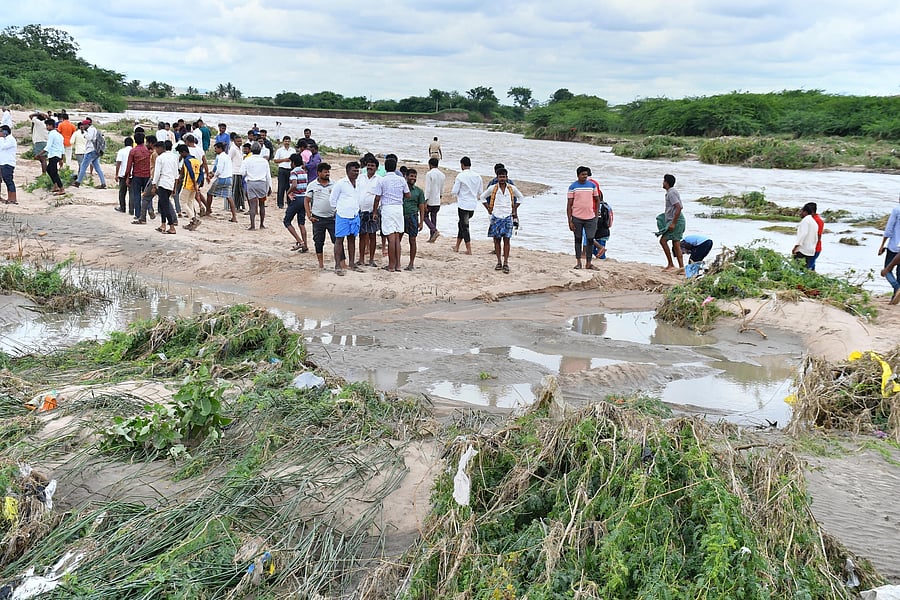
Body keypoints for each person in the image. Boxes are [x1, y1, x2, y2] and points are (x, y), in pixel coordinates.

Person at [480, 168, 522, 274]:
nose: (502, 178)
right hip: (496, 216)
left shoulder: (511, 188)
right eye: (500, 177)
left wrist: (514, 209)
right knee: (497, 241)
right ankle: (499, 262)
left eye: (504, 176)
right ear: (497, 177)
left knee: (507, 241)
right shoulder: (492, 188)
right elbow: (482, 197)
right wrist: (488, 208)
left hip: (508, 216)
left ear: (506, 177)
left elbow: (521, 198)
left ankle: (506, 262)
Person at [372, 155, 410, 272]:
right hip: (398, 208)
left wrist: (374, 212)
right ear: (395, 168)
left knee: (391, 238)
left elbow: (377, 198)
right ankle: (398, 265)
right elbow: (408, 195)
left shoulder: (382, 180)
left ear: (385, 168)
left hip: (387, 208)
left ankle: (391, 265)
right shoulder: (401, 179)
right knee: (397, 238)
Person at [329, 161, 362, 275]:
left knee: (352, 239)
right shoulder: (340, 183)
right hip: (342, 215)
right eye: (354, 171)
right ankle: (338, 265)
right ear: (348, 171)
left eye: (357, 171)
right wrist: (338, 210)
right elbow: (332, 199)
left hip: (354, 215)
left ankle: (352, 263)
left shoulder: (359, 183)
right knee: (339, 240)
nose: (356, 173)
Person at [566, 166, 600, 270]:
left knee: (590, 239)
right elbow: (569, 205)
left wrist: (596, 214)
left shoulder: (592, 186)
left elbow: (597, 200)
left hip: (590, 218)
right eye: (583, 174)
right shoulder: (573, 187)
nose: (585, 176)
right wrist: (570, 220)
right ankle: (578, 262)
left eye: (586, 174)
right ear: (578, 175)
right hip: (577, 218)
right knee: (578, 240)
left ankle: (588, 263)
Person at [305, 162, 337, 270]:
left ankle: (340, 263)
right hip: (317, 218)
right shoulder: (312, 185)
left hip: (332, 218)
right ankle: (321, 265)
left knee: (337, 241)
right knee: (318, 242)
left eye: (328, 171)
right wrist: (309, 216)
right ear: (319, 173)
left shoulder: (334, 184)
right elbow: (307, 201)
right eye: (325, 171)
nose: (327, 173)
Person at [451, 156, 483, 254]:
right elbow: (480, 191)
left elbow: (454, 191)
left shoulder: (460, 176)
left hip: (463, 204)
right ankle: (456, 246)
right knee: (461, 224)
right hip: (473, 204)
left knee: (464, 226)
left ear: (462, 165)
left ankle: (469, 249)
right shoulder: (478, 176)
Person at [240, 142, 272, 230]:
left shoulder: (247, 160)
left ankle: (252, 225)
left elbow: (242, 173)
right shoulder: (264, 161)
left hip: (251, 183)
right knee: (262, 204)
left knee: (252, 205)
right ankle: (261, 224)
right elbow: (268, 175)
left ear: (251, 150)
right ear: (260, 150)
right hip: (262, 183)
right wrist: (270, 187)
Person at [657, 173, 685, 271]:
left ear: (667, 183)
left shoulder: (671, 193)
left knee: (663, 241)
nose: (663, 183)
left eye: (664, 181)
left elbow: (679, 207)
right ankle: (681, 267)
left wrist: (673, 223)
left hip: (677, 221)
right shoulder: (671, 191)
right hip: (678, 220)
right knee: (676, 244)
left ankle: (671, 264)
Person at [149, 141, 178, 234]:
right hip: (170, 183)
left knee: (164, 205)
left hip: (163, 183)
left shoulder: (160, 158)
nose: (156, 151)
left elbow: (157, 173)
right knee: (162, 204)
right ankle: (163, 225)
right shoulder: (173, 157)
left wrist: (154, 185)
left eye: (156, 148)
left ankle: (171, 226)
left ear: (160, 148)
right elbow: (176, 174)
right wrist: (174, 187)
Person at [401, 168, 426, 270]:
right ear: (406, 177)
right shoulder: (401, 189)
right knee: (397, 239)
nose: (413, 178)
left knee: (412, 240)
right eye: (411, 176)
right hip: (401, 216)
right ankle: (396, 261)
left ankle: (411, 263)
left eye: (415, 177)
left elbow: (421, 207)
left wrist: (421, 222)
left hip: (413, 217)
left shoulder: (419, 191)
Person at [357, 156, 380, 267]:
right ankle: (361, 259)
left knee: (372, 235)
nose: (370, 167)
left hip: (373, 212)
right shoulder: (360, 177)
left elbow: (379, 196)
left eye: (372, 166)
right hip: (360, 210)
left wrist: (376, 211)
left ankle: (371, 260)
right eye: (369, 165)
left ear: (376, 168)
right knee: (362, 235)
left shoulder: (379, 180)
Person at [284, 153, 309, 253]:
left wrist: (288, 192)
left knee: (287, 221)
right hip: (304, 198)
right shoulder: (304, 171)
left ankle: (300, 242)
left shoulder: (294, 172)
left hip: (296, 198)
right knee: (301, 223)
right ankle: (305, 245)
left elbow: (294, 184)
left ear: (293, 163)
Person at [125, 132, 152, 223]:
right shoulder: (149, 151)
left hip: (137, 175)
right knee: (147, 195)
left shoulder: (133, 151)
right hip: (147, 175)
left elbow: (129, 165)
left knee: (137, 195)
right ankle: (149, 209)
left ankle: (138, 214)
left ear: (135, 141)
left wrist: (127, 177)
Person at [878, 193, 900, 303]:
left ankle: (896, 287)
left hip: (894, 246)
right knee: (899, 272)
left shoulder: (896, 210)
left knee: (887, 269)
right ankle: (894, 297)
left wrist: (882, 245)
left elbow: (889, 229)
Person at [208, 141, 237, 223]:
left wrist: (214, 175)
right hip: (229, 178)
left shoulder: (220, 157)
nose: (215, 150)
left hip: (222, 178)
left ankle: (208, 210)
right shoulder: (227, 156)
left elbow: (219, 170)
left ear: (220, 149)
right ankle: (234, 216)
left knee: (209, 193)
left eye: (216, 148)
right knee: (229, 197)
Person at [73, 119, 107, 188]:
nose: (82, 126)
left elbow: (89, 137)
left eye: (83, 125)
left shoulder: (90, 130)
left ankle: (78, 182)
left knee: (83, 166)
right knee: (97, 168)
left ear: (87, 125)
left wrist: (84, 133)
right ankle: (103, 183)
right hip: (96, 151)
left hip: (90, 151)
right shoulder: (94, 129)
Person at [177, 144, 203, 230]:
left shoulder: (187, 160)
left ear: (184, 152)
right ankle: (192, 222)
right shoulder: (197, 160)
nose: (181, 155)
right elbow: (201, 174)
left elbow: (191, 172)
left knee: (183, 202)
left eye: (181, 153)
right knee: (190, 202)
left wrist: (194, 183)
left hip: (188, 184)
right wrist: (197, 184)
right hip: (195, 184)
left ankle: (193, 218)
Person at [424, 157, 445, 243]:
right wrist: (440, 195)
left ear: (430, 165)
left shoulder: (429, 174)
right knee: (433, 218)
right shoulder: (442, 175)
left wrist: (425, 200)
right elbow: (442, 189)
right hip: (437, 200)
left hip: (430, 200)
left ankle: (434, 230)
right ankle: (432, 236)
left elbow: (428, 189)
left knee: (424, 216)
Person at [792, 202, 818, 269]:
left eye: (801, 211)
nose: (800, 213)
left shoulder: (805, 221)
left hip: (802, 250)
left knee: (796, 268)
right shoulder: (814, 222)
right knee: (805, 269)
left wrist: (796, 247)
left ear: (805, 212)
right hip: (811, 250)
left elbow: (803, 234)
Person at [114, 136, 133, 212]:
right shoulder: (134, 150)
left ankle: (122, 208)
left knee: (122, 192)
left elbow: (118, 163)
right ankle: (131, 209)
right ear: (132, 144)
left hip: (123, 174)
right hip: (132, 174)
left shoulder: (121, 151)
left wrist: (116, 174)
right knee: (132, 193)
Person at [274, 136, 293, 209]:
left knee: (289, 187)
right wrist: (284, 160)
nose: (287, 142)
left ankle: (289, 203)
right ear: (283, 142)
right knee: (281, 187)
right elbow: (275, 160)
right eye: (286, 141)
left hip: (290, 170)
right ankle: (280, 204)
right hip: (282, 169)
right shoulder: (279, 150)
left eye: (288, 141)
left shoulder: (292, 150)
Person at [229, 133, 246, 212]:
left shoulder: (240, 149)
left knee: (240, 191)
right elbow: (229, 159)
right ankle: (234, 207)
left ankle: (239, 206)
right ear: (234, 141)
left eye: (240, 141)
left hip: (240, 172)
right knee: (234, 190)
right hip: (234, 171)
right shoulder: (233, 149)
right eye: (238, 141)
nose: (240, 142)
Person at [0, 125, 16, 205]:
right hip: (3, 162)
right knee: (6, 181)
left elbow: (2, 147)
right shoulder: (5, 139)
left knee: (9, 181)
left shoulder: (10, 139)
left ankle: (13, 198)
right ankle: (10, 198)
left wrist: (2, 138)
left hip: (8, 163)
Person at [810, 205, 825, 270]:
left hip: (814, 248)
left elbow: (818, 236)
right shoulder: (811, 219)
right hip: (811, 248)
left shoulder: (818, 221)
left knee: (808, 268)